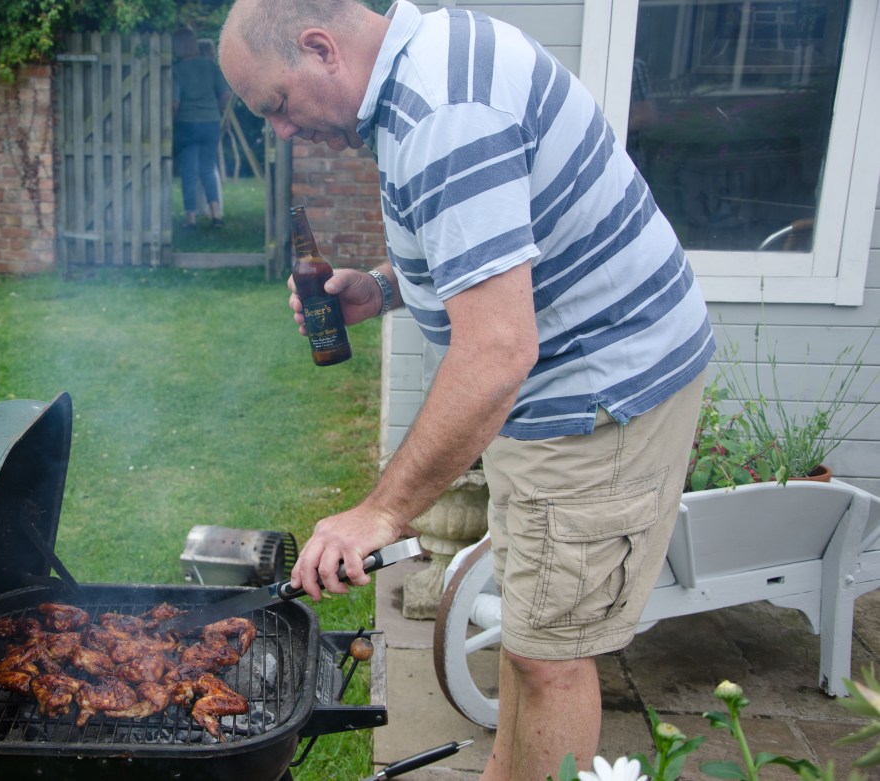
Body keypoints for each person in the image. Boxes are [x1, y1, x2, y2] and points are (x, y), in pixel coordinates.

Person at [218, 2, 714, 779]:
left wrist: (377, 513)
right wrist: (382, 288)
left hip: (598, 399)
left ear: (321, 50)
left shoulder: (445, 114)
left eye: (275, 106)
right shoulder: (425, 66)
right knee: (529, 633)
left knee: (552, 658)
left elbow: (496, 352)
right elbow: (489, 239)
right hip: (554, 393)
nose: (280, 131)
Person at [172, 27, 231, 229]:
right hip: (210, 123)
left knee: (189, 171)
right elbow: (225, 94)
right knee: (207, 168)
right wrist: (216, 110)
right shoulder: (210, 66)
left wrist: (170, 122)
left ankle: (191, 219)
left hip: (186, 124)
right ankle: (216, 216)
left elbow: (174, 103)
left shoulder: (177, 70)